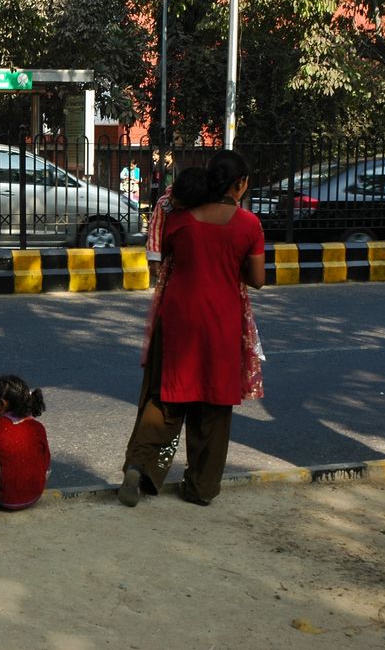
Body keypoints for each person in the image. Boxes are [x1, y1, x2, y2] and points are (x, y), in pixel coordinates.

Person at [121, 150, 265, 508]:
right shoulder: (248, 224)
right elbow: (258, 279)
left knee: (168, 394)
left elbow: (166, 255)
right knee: (214, 404)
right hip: (222, 318)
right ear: (240, 184)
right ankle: (200, 487)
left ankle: (139, 466)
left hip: (178, 314)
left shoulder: (181, 220)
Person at [0, 374, 51, 511]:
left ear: (1, 404)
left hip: (3, 499)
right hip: (34, 495)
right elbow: (45, 459)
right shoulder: (37, 427)